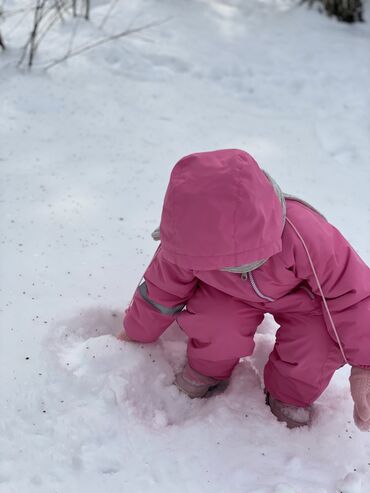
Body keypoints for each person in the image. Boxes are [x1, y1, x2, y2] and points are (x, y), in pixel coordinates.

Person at [118, 149, 370, 430]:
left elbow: (354, 295)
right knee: (215, 322)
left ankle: (290, 394)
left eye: (240, 261)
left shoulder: (304, 234)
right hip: (226, 295)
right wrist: (135, 332)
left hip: (299, 300)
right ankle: (207, 370)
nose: (232, 267)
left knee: (316, 343)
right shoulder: (185, 244)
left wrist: (365, 366)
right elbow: (160, 290)